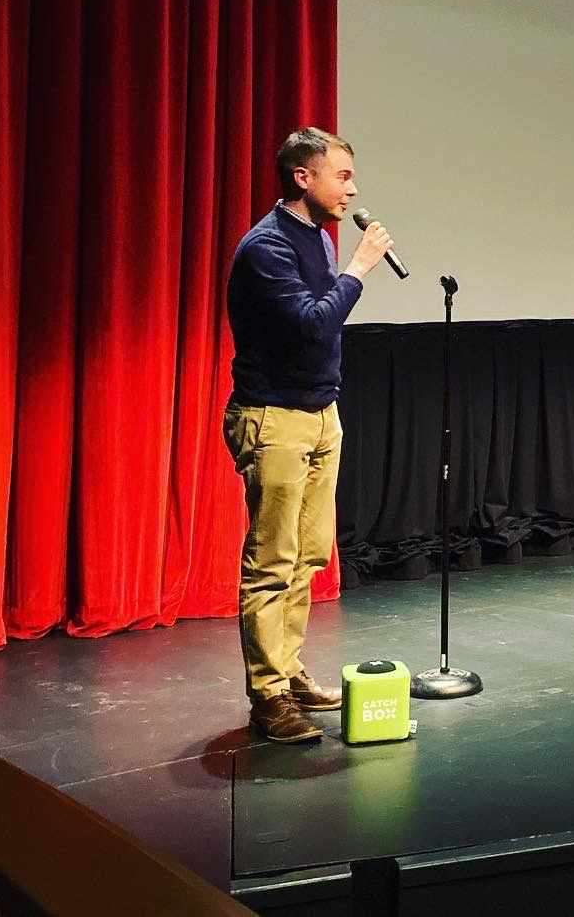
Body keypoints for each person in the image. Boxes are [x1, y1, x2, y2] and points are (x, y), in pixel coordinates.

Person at [224, 127, 394, 743]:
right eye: (342, 176)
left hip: (321, 414)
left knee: (309, 554)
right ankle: (268, 696)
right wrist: (359, 268)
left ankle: (287, 670)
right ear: (304, 177)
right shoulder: (266, 247)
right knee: (272, 560)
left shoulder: (317, 237)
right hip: (274, 417)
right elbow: (313, 325)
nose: (352, 190)